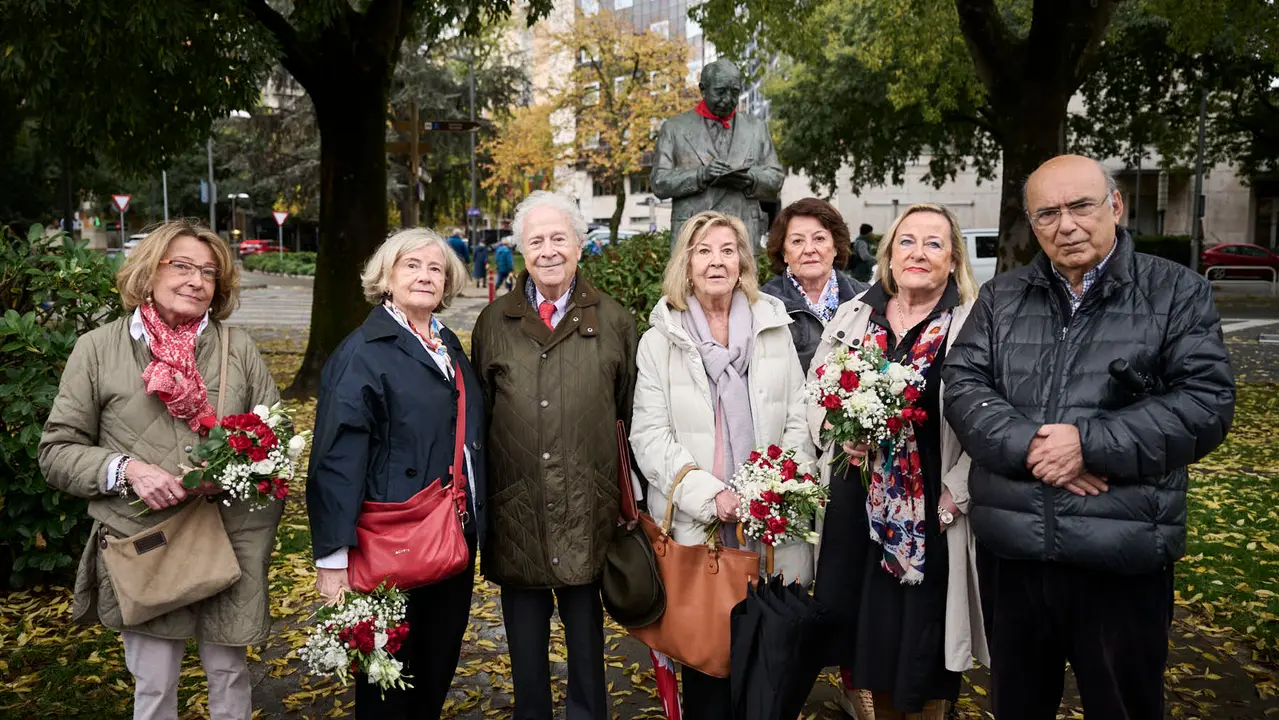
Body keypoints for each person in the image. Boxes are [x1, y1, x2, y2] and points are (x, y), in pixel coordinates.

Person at [943, 155, 1236, 719]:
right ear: (1033, 223)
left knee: (1123, 707)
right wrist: (1032, 446)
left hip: (1121, 556)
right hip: (1017, 552)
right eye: (1047, 213)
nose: (1066, 225)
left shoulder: (1176, 291)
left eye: (1080, 205)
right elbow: (962, 385)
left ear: (1115, 206)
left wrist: (1089, 443)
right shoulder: (1002, 297)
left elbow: (1205, 403)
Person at [38, 220, 281, 720]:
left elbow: (273, 440)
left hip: (230, 538)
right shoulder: (98, 349)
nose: (196, 280)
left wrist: (238, 469)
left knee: (231, 677)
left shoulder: (239, 349)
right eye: (183, 266)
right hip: (146, 541)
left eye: (209, 272)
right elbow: (57, 450)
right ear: (149, 272)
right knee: (154, 687)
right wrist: (127, 469)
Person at [804, 204, 988, 720]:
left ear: (953, 260)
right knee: (861, 610)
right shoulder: (855, 314)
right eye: (906, 242)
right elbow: (814, 395)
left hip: (932, 494)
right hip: (856, 493)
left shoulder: (971, 322)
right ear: (888, 255)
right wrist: (840, 433)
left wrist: (961, 487)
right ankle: (870, 700)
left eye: (934, 243)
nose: (918, 253)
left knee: (923, 614)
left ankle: (928, 706)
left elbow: (994, 417)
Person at [629, 210, 815, 719]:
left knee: (770, 667)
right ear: (686, 265)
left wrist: (777, 488)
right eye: (704, 251)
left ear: (743, 262)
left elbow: (799, 416)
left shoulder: (774, 328)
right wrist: (713, 496)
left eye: (727, 250)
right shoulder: (659, 340)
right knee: (707, 663)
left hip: (770, 525)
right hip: (701, 528)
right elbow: (649, 435)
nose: (716, 261)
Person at [470, 191, 638, 720]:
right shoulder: (494, 322)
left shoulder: (613, 320)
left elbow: (627, 416)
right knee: (524, 648)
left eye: (558, 238)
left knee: (587, 641)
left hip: (589, 505)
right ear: (520, 249)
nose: (548, 250)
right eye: (535, 240)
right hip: (517, 505)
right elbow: (481, 417)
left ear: (580, 246)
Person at [307, 228, 486, 718]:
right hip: (390, 540)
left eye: (436, 269)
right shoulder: (363, 351)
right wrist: (332, 559)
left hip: (448, 535)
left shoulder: (444, 342)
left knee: (433, 670)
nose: (425, 276)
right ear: (386, 276)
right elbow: (336, 459)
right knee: (388, 686)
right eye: (412, 266)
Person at [651, 59, 785, 248]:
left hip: (743, 234)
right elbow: (659, 182)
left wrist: (751, 178)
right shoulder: (674, 128)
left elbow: (776, 177)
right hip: (693, 236)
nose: (728, 99)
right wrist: (701, 175)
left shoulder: (756, 128)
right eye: (720, 92)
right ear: (703, 89)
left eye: (735, 93)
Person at [761, 197, 869, 374]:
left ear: (835, 247)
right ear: (784, 253)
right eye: (797, 241)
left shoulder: (865, 298)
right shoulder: (766, 304)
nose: (809, 249)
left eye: (819, 238)